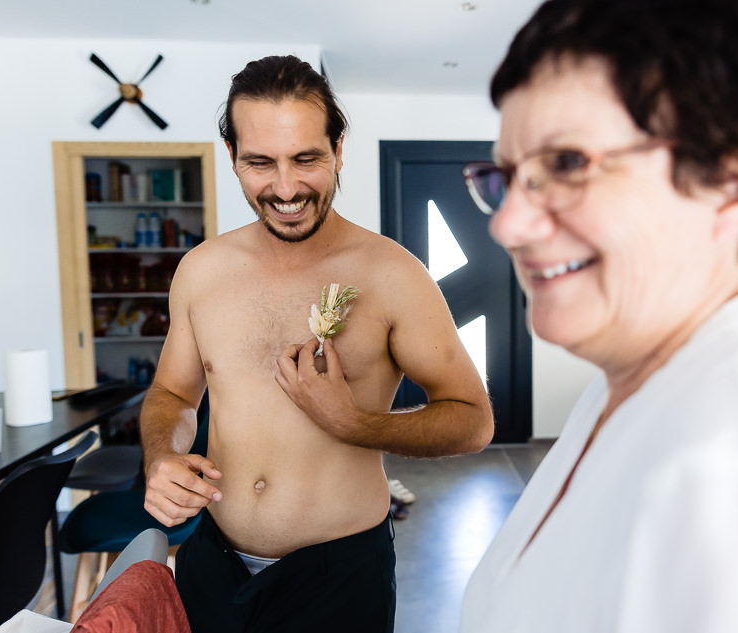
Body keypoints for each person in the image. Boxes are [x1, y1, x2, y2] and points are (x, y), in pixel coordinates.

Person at [458, 1, 738, 631]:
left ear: (734, 181)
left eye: (568, 164)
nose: (506, 224)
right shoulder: (618, 391)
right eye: (508, 177)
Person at [140, 54, 494, 633]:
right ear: (232, 157)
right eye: (260, 162)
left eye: (306, 159)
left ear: (338, 149)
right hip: (212, 562)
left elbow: (472, 421)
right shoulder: (200, 270)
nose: (285, 188)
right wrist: (162, 457)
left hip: (339, 577)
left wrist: (354, 424)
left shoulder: (392, 275)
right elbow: (172, 394)